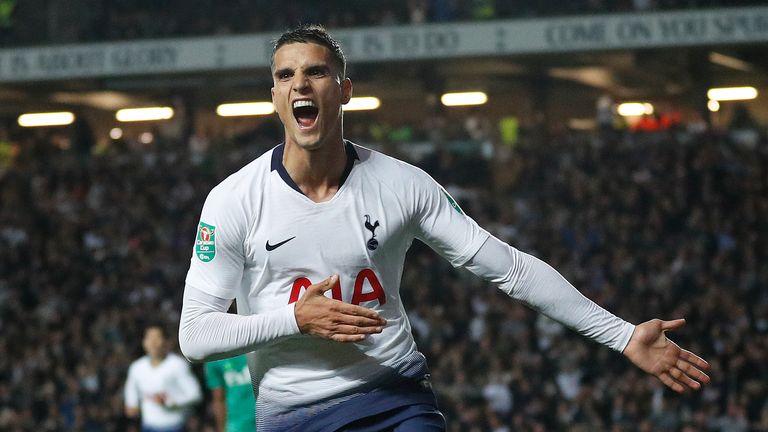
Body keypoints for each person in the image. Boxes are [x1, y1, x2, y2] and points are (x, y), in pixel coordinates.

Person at [178, 24, 710, 431]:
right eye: (284, 75)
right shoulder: (233, 201)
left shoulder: (402, 184)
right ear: (275, 97)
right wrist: (297, 318)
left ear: (344, 91)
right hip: (291, 415)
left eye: (315, 72)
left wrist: (622, 336)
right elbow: (196, 336)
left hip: (393, 394)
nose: (300, 84)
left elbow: (511, 269)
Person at [125, 323, 202, 432]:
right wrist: (131, 404)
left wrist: (170, 402)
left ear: (166, 341)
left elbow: (195, 394)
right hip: (148, 426)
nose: (153, 343)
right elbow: (131, 388)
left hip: (174, 426)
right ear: (144, 342)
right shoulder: (137, 367)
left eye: (157, 338)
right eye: (149, 338)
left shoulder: (177, 364)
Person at [204, 354, 256, 432]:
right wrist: (222, 429)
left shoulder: (257, 347)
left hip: (269, 418)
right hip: (237, 425)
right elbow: (219, 400)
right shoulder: (213, 358)